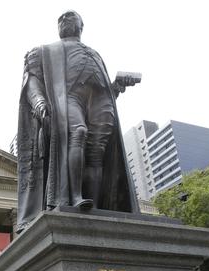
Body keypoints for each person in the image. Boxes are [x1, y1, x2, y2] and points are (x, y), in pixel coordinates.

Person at [16, 10, 138, 233]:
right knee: (77, 132)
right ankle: (74, 196)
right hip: (67, 98)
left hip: (101, 99)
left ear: (81, 27)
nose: (66, 20)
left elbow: (105, 88)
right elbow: (32, 83)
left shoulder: (95, 54)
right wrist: (40, 103)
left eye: (71, 19)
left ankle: (93, 204)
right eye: (62, 19)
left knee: (96, 152)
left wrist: (117, 86)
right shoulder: (43, 51)